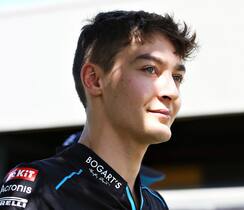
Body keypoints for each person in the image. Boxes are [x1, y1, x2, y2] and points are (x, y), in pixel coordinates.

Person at [0, 10, 197, 210]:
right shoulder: (42, 188)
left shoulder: (156, 204)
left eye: (177, 77)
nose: (172, 92)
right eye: (149, 69)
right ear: (94, 79)